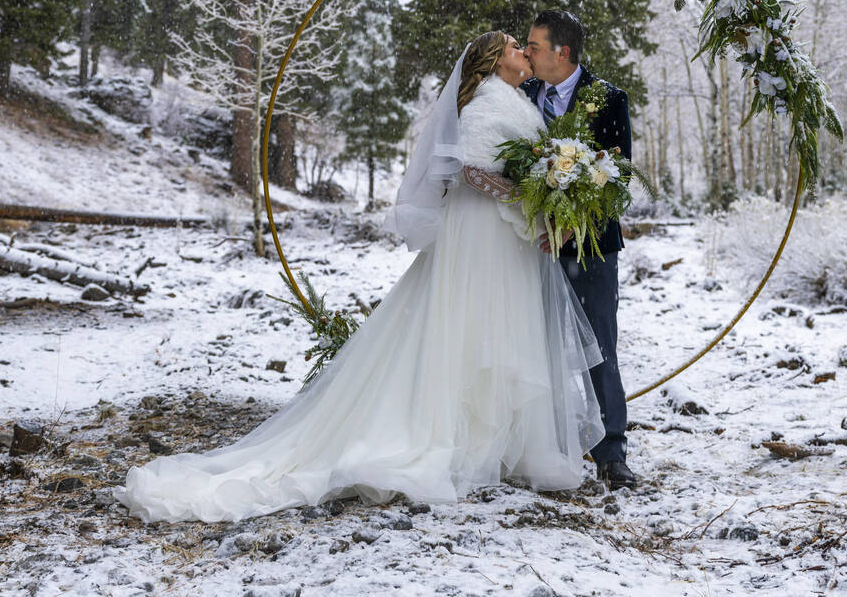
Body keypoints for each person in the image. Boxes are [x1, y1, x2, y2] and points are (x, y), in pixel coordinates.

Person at [114, 32, 605, 523]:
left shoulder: (520, 99)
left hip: (505, 236)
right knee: (468, 321)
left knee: (501, 325)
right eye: (514, 45)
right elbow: (472, 172)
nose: (523, 49)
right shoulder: (480, 103)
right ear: (494, 61)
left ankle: (500, 441)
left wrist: (546, 196)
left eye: (526, 44)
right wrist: (528, 194)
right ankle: (453, 435)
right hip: (478, 232)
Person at [521, 10, 637, 490]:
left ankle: (611, 451)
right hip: (528, 246)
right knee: (533, 346)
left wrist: (574, 224)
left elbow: (618, 174)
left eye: (534, 45)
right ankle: (544, 443)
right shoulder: (521, 95)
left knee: (599, 348)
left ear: (560, 53)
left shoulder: (608, 99)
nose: (526, 53)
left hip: (590, 248)